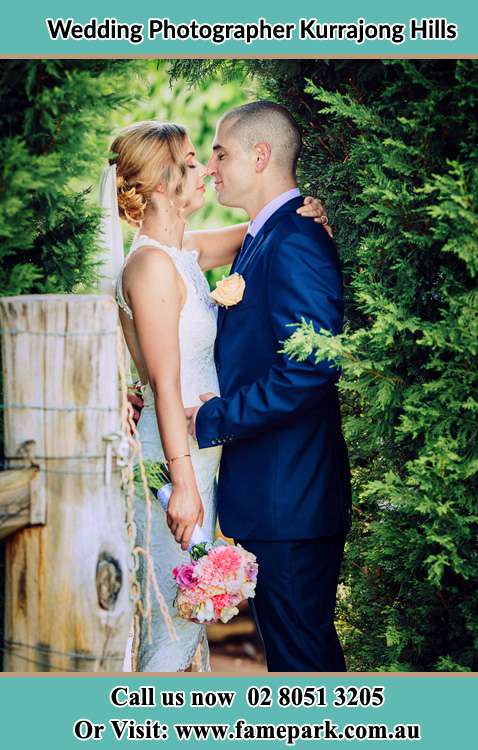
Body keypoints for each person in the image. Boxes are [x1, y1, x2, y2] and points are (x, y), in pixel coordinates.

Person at [99, 119, 330, 671]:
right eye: (192, 160)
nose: (205, 169)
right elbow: (166, 383)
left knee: (187, 622)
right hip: (178, 461)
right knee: (173, 626)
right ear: (159, 184)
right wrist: (181, 483)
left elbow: (263, 237)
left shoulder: (182, 252)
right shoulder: (151, 265)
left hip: (204, 453)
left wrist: (314, 212)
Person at [185, 101, 352, 672]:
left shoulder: (296, 240)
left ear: (260, 156)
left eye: (221, 153)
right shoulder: (265, 235)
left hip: (293, 500)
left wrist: (213, 418)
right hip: (277, 500)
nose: (212, 167)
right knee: (291, 661)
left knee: (304, 664)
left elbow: (309, 368)